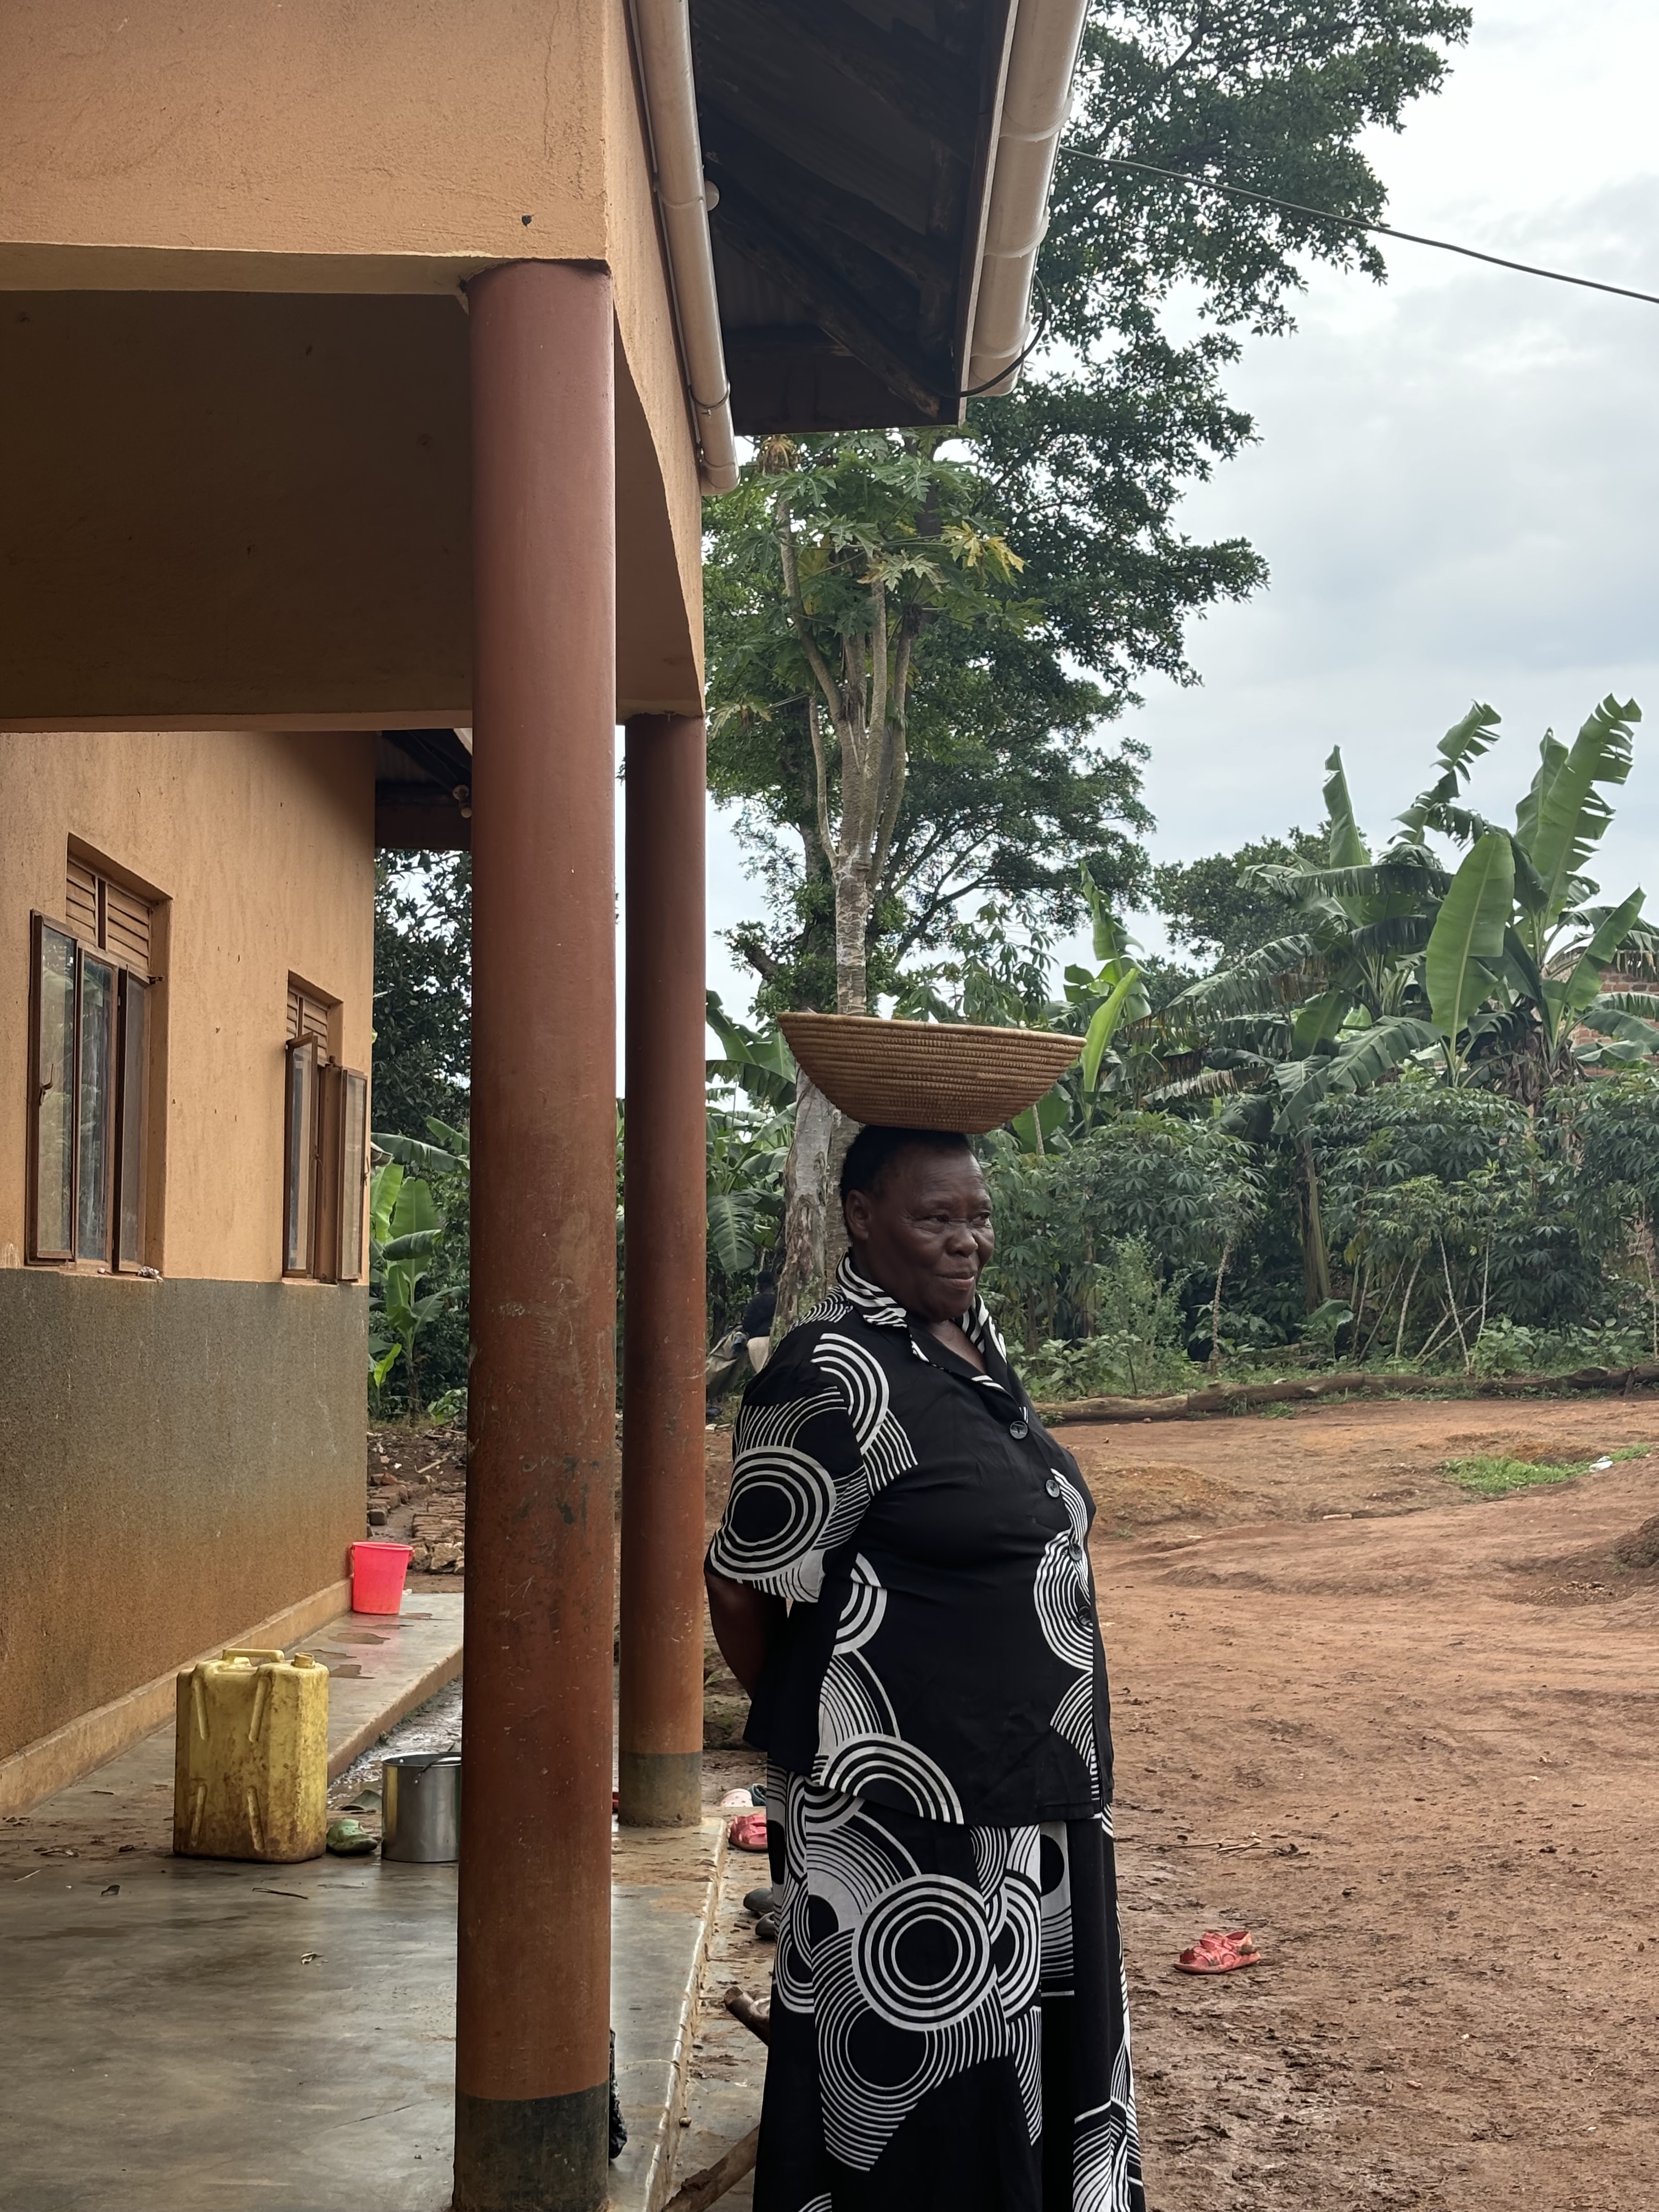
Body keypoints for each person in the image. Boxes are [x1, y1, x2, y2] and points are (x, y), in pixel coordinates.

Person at [706, 1126, 1144, 2212]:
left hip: (1033, 1793)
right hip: (902, 1821)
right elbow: (743, 1585)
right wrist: (834, 1738)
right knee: (922, 2093)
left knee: (1025, 2076)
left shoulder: (968, 1346)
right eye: (934, 1217)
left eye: (977, 1217)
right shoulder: (829, 1371)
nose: (966, 1241)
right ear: (861, 1219)